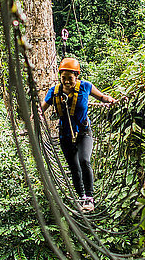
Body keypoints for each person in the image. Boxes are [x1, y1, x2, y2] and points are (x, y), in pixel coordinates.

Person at [40, 57, 116, 212]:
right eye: (63, 78)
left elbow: (102, 97)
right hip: (65, 135)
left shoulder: (86, 87)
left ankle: (89, 197)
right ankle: (82, 197)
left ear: (77, 76)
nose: (66, 82)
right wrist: (35, 116)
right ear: (60, 77)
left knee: (84, 160)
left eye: (70, 78)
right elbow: (41, 109)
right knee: (74, 167)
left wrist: (111, 100)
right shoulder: (54, 92)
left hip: (83, 132)